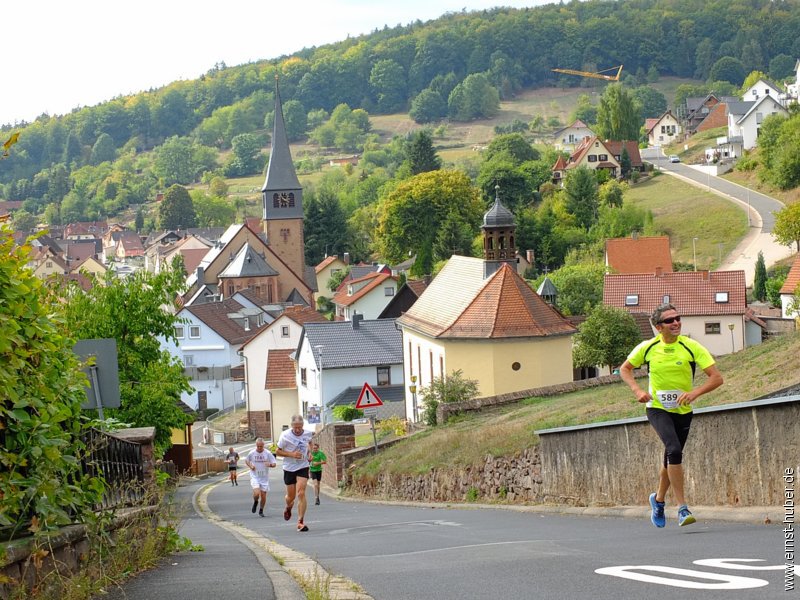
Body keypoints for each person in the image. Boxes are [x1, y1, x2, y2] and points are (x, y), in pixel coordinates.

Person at [620, 303, 723, 528]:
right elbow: (624, 369)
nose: (676, 323)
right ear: (659, 327)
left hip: (683, 411)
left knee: (670, 456)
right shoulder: (647, 348)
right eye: (669, 320)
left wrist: (694, 393)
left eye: (677, 318)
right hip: (657, 408)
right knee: (674, 450)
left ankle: (658, 500)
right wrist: (637, 390)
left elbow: (716, 378)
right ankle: (683, 508)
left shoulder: (691, 347)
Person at [276, 415, 313, 532]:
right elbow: (277, 451)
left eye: (300, 427)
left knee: (301, 493)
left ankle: (300, 522)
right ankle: (288, 506)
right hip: (289, 467)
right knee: (290, 497)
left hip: (302, 465)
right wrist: (292, 454)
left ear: (303, 425)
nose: (298, 430)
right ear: (292, 426)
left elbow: (310, 443)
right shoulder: (285, 435)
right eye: (295, 427)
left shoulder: (307, 433)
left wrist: (310, 453)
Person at [245, 438, 276, 517]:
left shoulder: (268, 453)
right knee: (256, 494)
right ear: (256, 445)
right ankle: (255, 502)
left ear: (263, 445)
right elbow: (247, 460)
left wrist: (270, 465)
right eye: (258, 446)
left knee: (263, 496)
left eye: (261, 446)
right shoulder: (252, 453)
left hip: (264, 477)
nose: (259, 448)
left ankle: (261, 510)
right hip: (255, 476)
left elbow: (274, 463)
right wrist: (251, 466)